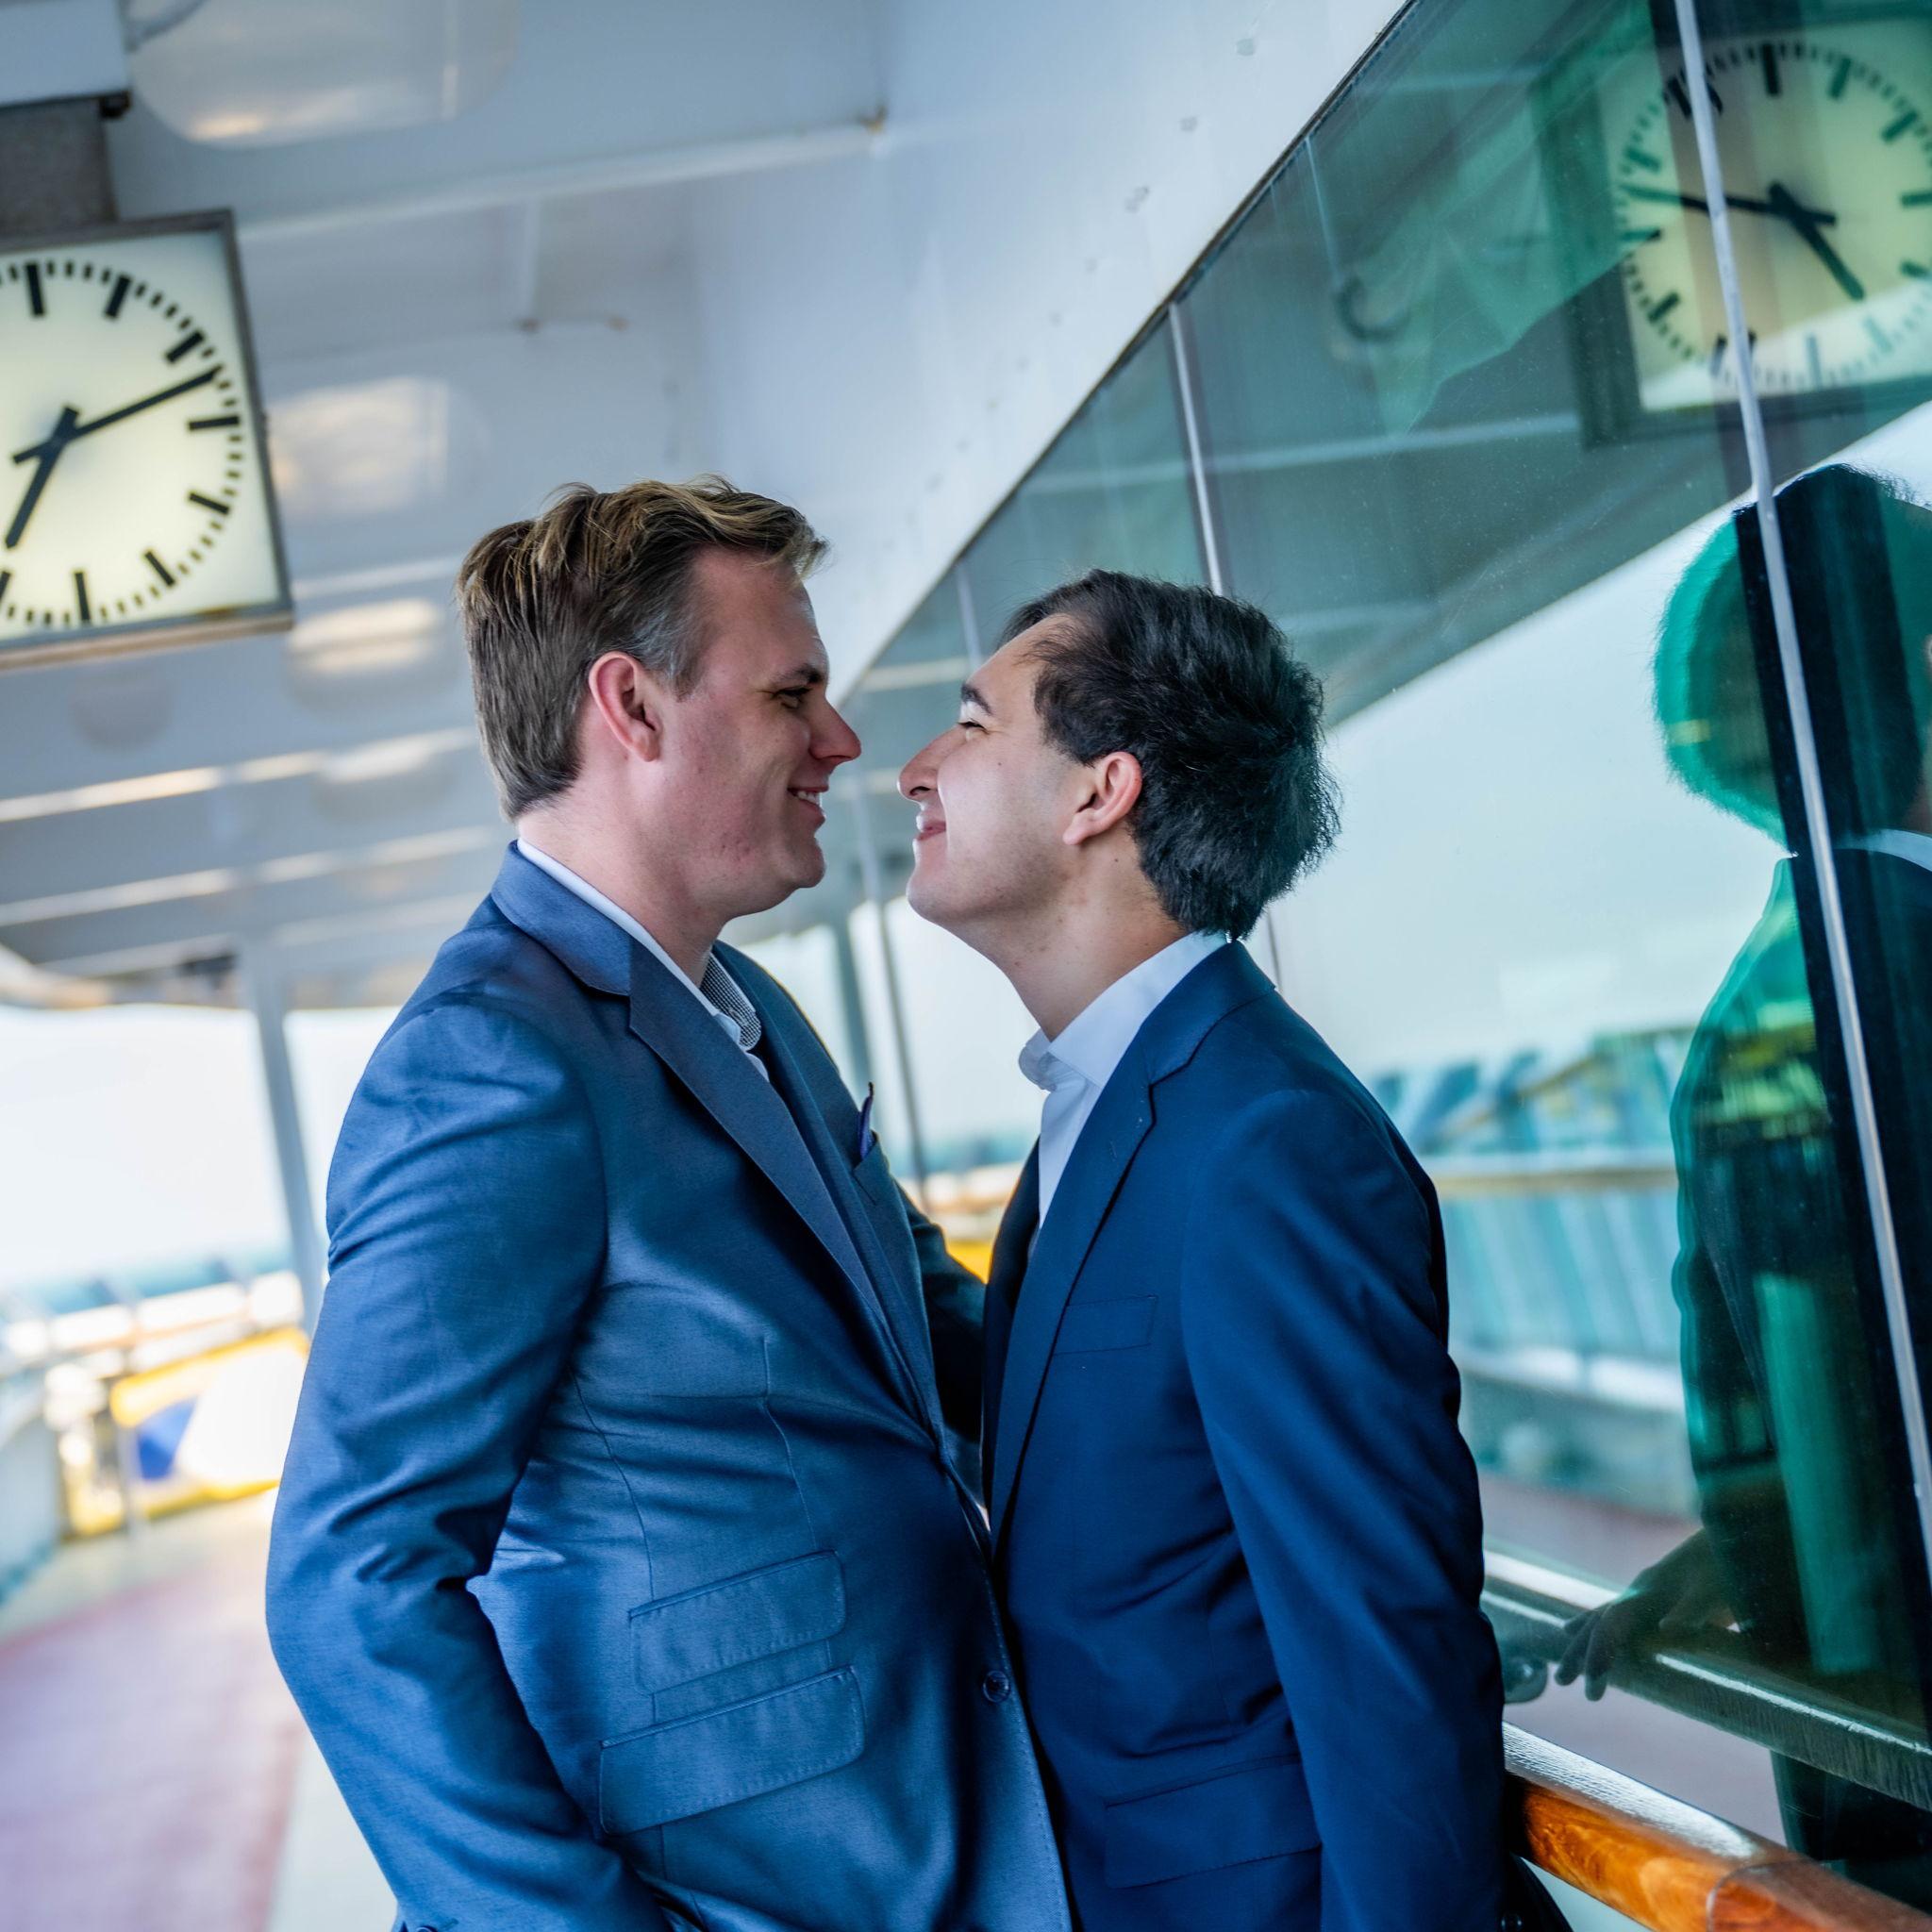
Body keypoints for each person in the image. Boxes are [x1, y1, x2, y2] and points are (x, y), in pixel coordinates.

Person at [265, 479, 1071, 1932]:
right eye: (792, 695)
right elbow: (351, 1582)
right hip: (733, 1890)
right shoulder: (489, 1061)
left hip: (916, 1834)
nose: (841, 740)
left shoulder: (742, 1002)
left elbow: (924, 1325)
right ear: (631, 708)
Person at [897, 570, 1507, 1932]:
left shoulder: (1268, 1142)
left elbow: (1380, 1642)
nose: (915, 767)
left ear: (1098, 793)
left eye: (973, 724)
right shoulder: (1120, 1101)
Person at [1557, 465, 1932, 1902]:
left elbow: (1810, 1385)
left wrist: (1724, 1553)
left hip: (1872, 1759)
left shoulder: (1764, 1011)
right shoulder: (1884, 988)